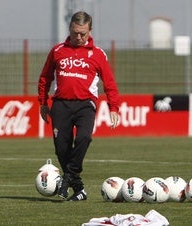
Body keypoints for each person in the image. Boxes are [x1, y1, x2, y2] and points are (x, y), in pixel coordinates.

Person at [38, 11, 119, 201]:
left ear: (90, 31)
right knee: (61, 147)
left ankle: (67, 178)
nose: (79, 37)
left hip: (85, 105)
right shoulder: (57, 51)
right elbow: (45, 78)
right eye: (75, 32)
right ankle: (79, 188)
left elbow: (110, 83)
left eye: (83, 33)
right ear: (70, 29)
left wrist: (113, 107)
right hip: (60, 104)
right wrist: (42, 102)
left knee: (83, 138)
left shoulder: (98, 54)